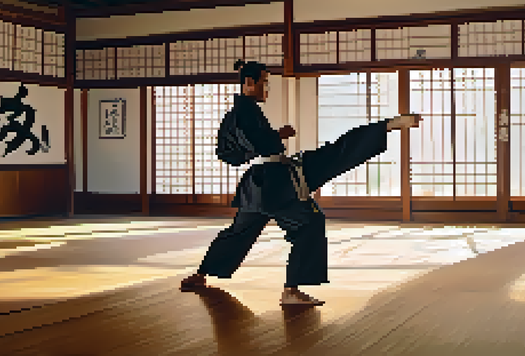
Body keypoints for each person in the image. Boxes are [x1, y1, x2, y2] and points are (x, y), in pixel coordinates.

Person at [180, 59, 422, 305]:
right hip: (276, 181)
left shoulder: (237, 115)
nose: (267, 89)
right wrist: (278, 135)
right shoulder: (245, 111)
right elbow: (259, 143)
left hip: (256, 184)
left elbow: (228, 154)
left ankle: (201, 274)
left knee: (239, 232)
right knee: (310, 222)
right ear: (249, 83)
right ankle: (291, 291)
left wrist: (268, 141)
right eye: (264, 83)